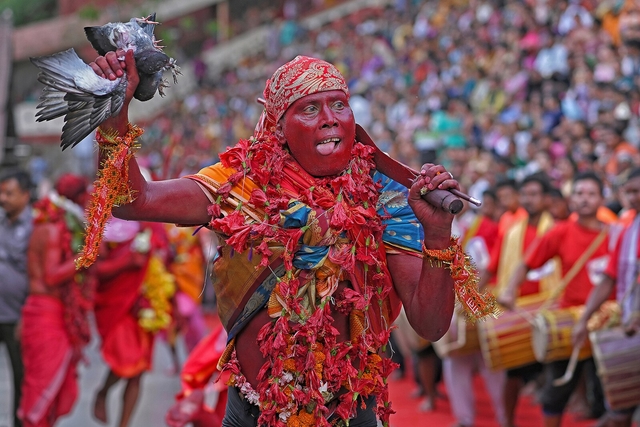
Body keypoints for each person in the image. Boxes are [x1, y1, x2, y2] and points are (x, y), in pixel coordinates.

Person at [87, 50, 497, 426]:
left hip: (351, 413)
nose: (330, 118)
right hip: (253, 412)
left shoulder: (386, 196)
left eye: (339, 104)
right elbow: (130, 201)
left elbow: (430, 325)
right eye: (310, 108)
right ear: (279, 126)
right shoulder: (243, 184)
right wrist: (113, 112)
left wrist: (438, 235)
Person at [501, 171, 612, 427]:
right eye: (580, 194)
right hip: (570, 323)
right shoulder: (560, 232)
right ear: (571, 199)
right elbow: (526, 263)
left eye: (591, 194)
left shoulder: (616, 233)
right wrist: (509, 290)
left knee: (615, 396)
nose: (585, 199)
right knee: (555, 395)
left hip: (608, 321)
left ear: (602, 199)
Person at [18, 173, 95, 427]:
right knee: (42, 386)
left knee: (49, 387)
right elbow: (51, 276)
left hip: (48, 311)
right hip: (45, 314)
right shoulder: (52, 230)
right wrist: (83, 258)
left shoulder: (49, 225)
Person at [572, 166, 640, 427]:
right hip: (630, 325)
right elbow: (609, 278)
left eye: (637, 191)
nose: (633, 197)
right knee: (621, 410)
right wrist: (584, 319)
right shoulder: (626, 229)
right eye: (629, 192)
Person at [490, 173, 559, 427]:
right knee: (513, 374)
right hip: (517, 310)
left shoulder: (557, 229)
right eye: (526, 195)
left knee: (552, 374)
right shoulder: (512, 231)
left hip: (548, 310)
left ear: (546, 198)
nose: (529, 200)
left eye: (535, 194)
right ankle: (507, 421)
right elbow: (495, 265)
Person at [92, 217, 174, 427]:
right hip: (119, 306)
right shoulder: (104, 222)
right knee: (124, 362)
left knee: (137, 372)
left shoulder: (151, 223)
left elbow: (164, 259)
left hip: (146, 305)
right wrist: (126, 262)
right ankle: (103, 391)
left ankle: (124, 424)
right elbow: (96, 270)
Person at [0, 169, 33, 427]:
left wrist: (27, 314)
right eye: (1, 192)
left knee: (20, 379)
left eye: (9, 193)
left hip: (17, 317)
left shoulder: (37, 226)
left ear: (25, 195)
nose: (3, 198)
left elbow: (37, 274)